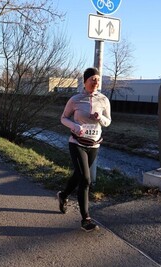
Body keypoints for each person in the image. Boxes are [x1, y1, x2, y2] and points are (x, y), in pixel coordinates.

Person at [57, 67, 111, 232]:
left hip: (94, 144)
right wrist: (74, 126)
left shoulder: (103, 100)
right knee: (85, 179)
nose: (95, 83)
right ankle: (85, 218)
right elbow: (63, 118)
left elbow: (108, 122)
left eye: (97, 80)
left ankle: (63, 195)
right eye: (92, 80)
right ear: (85, 81)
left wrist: (99, 117)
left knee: (78, 175)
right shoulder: (75, 99)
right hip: (76, 143)